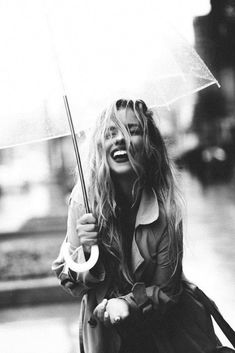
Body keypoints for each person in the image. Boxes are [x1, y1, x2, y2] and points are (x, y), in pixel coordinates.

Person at [52, 99, 234, 353]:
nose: (120, 139)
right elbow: (70, 281)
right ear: (100, 145)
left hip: (165, 331)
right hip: (106, 337)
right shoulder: (83, 201)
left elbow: (167, 290)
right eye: (110, 133)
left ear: (149, 143)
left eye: (132, 130)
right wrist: (84, 249)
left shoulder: (165, 207)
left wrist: (128, 304)